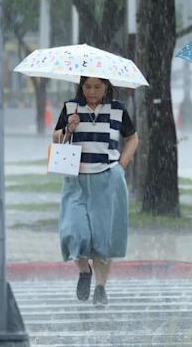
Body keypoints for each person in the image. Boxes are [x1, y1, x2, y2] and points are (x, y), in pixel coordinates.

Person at [52, 76, 138, 306]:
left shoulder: (117, 110)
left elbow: (132, 138)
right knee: (72, 231)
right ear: (81, 86)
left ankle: (100, 287)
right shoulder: (71, 107)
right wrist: (68, 127)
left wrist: (122, 165)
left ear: (106, 87)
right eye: (87, 86)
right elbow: (56, 138)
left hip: (107, 180)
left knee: (104, 240)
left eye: (97, 87)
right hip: (76, 180)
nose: (91, 91)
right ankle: (84, 271)